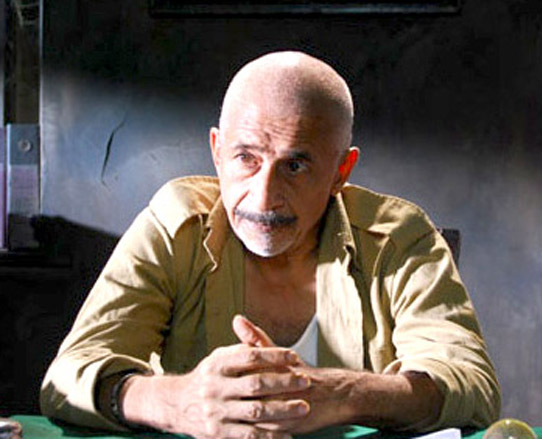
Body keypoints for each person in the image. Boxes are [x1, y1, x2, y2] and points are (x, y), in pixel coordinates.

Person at [40, 51, 500, 439]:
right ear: (217, 152)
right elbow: (66, 377)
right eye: (246, 158)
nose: (263, 198)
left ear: (341, 172)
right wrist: (178, 402)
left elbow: (473, 387)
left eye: (295, 166)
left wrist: (339, 394)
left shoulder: (399, 237)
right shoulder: (174, 225)